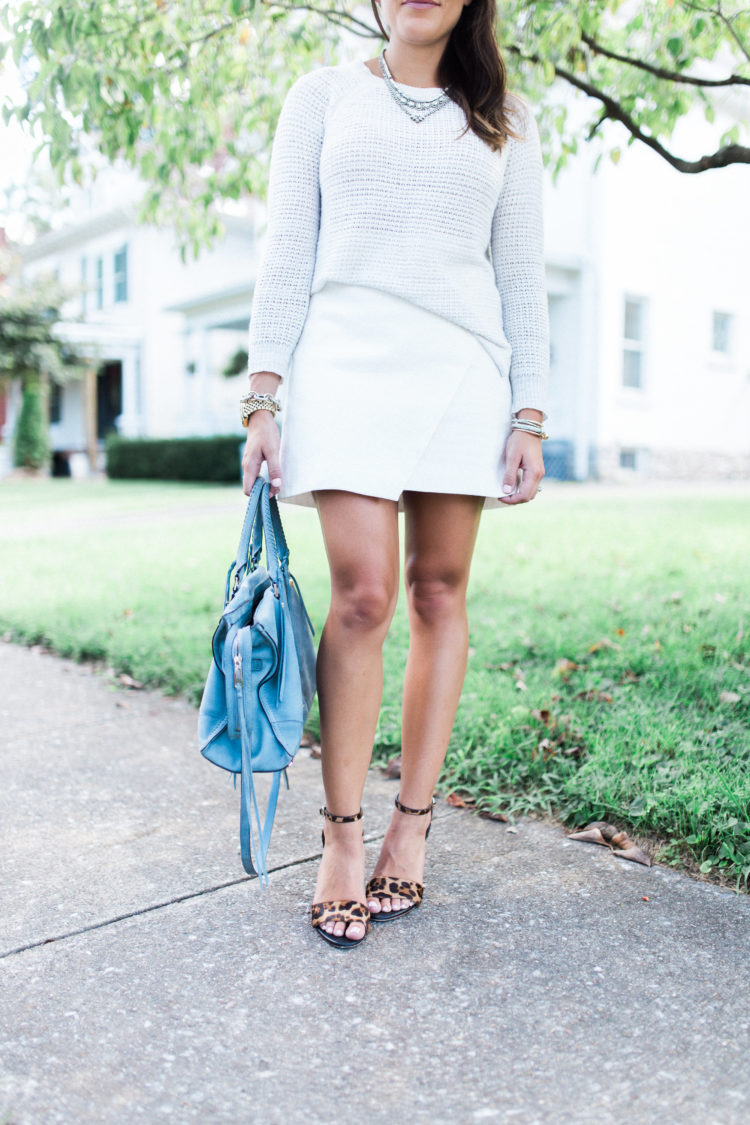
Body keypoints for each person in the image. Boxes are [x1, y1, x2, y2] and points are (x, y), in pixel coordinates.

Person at [240, 0, 548, 949]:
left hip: (463, 367)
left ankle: (410, 829)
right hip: (346, 359)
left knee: (439, 591)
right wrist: (263, 393)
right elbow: (287, 245)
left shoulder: (507, 117)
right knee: (364, 595)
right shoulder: (323, 96)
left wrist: (528, 412)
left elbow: (522, 276)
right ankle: (340, 836)